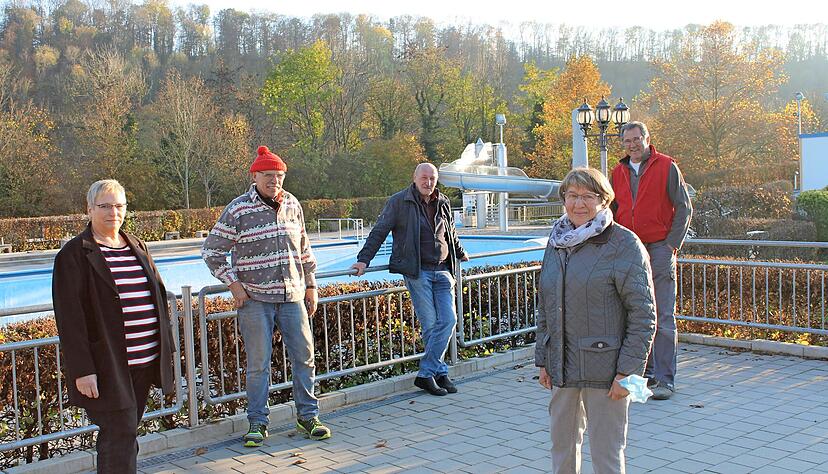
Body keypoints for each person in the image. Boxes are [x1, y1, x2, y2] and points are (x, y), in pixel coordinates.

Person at [202, 146, 331, 447]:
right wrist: (233, 284)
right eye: (268, 175)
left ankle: (308, 416)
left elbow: (304, 250)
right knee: (259, 364)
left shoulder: (292, 205)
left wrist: (311, 286)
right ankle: (257, 423)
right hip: (255, 300)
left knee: (305, 358)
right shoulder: (238, 209)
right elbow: (211, 251)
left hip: (293, 295)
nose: (275, 181)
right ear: (255, 176)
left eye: (279, 176)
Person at [536, 167, 656, 474]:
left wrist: (628, 374)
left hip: (607, 374)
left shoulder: (623, 244)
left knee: (607, 457)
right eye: (572, 196)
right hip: (563, 367)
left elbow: (643, 315)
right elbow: (546, 306)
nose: (578, 204)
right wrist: (543, 359)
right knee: (562, 451)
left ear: (604, 200)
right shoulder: (556, 241)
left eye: (588, 196)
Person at [52, 180, 177, 474]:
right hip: (109, 366)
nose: (113, 212)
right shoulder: (74, 255)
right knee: (119, 434)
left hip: (145, 362)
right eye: (105, 206)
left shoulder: (137, 245)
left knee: (126, 432)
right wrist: (83, 370)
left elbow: (157, 297)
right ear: (90, 208)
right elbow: (70, 319)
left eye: (119, 206)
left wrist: (166, 353)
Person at [351, 163, 469, 396]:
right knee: (431, 324)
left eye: (432, 178)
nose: (428, 182)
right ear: (414, 178)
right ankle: (438, 372)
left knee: (449, 321)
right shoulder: (399, 202)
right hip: (418, 272)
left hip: (443, 270)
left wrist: (459, 251)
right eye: (424, 178)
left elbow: (450, 232)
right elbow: (379, 231)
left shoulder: (443, 201)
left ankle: (428, 373)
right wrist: (364, 260)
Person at [610, 121, 693, 400]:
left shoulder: (667, 166)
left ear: (646, 139)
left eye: (636, 139)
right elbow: (612, 210)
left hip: (659, 246)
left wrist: (671, 245)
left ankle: (665, 379)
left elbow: (684, 207)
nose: (632, 145)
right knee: (634, 312)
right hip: (630, 248)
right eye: (627, 141)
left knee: (663, 314)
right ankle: (641, 377)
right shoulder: (617, 172)